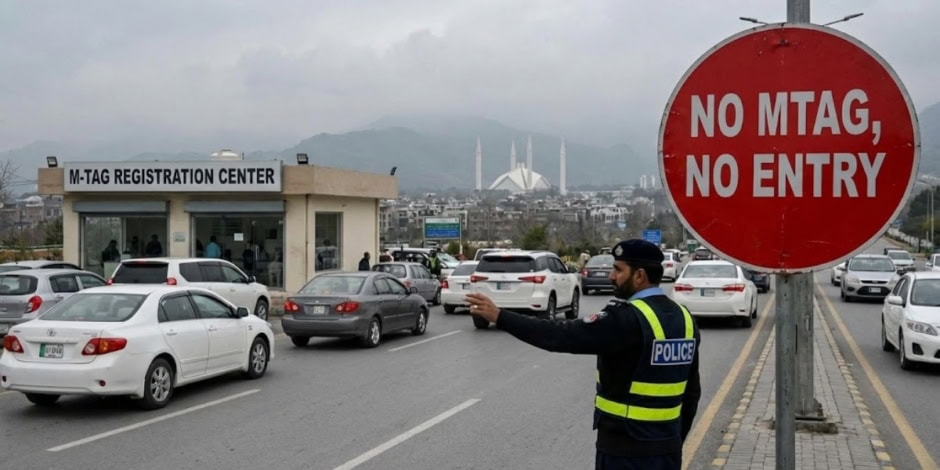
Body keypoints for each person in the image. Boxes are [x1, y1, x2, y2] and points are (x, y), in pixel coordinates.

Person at [464, 239, 701, 470]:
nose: (611, 276)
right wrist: (673, 441)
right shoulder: (685, 319)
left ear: (639, 276)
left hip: (625, 451)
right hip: (668, 450)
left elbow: (560, 335)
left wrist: (500, 316)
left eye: (618, 270)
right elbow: (692, 393)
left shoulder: (625, 319)